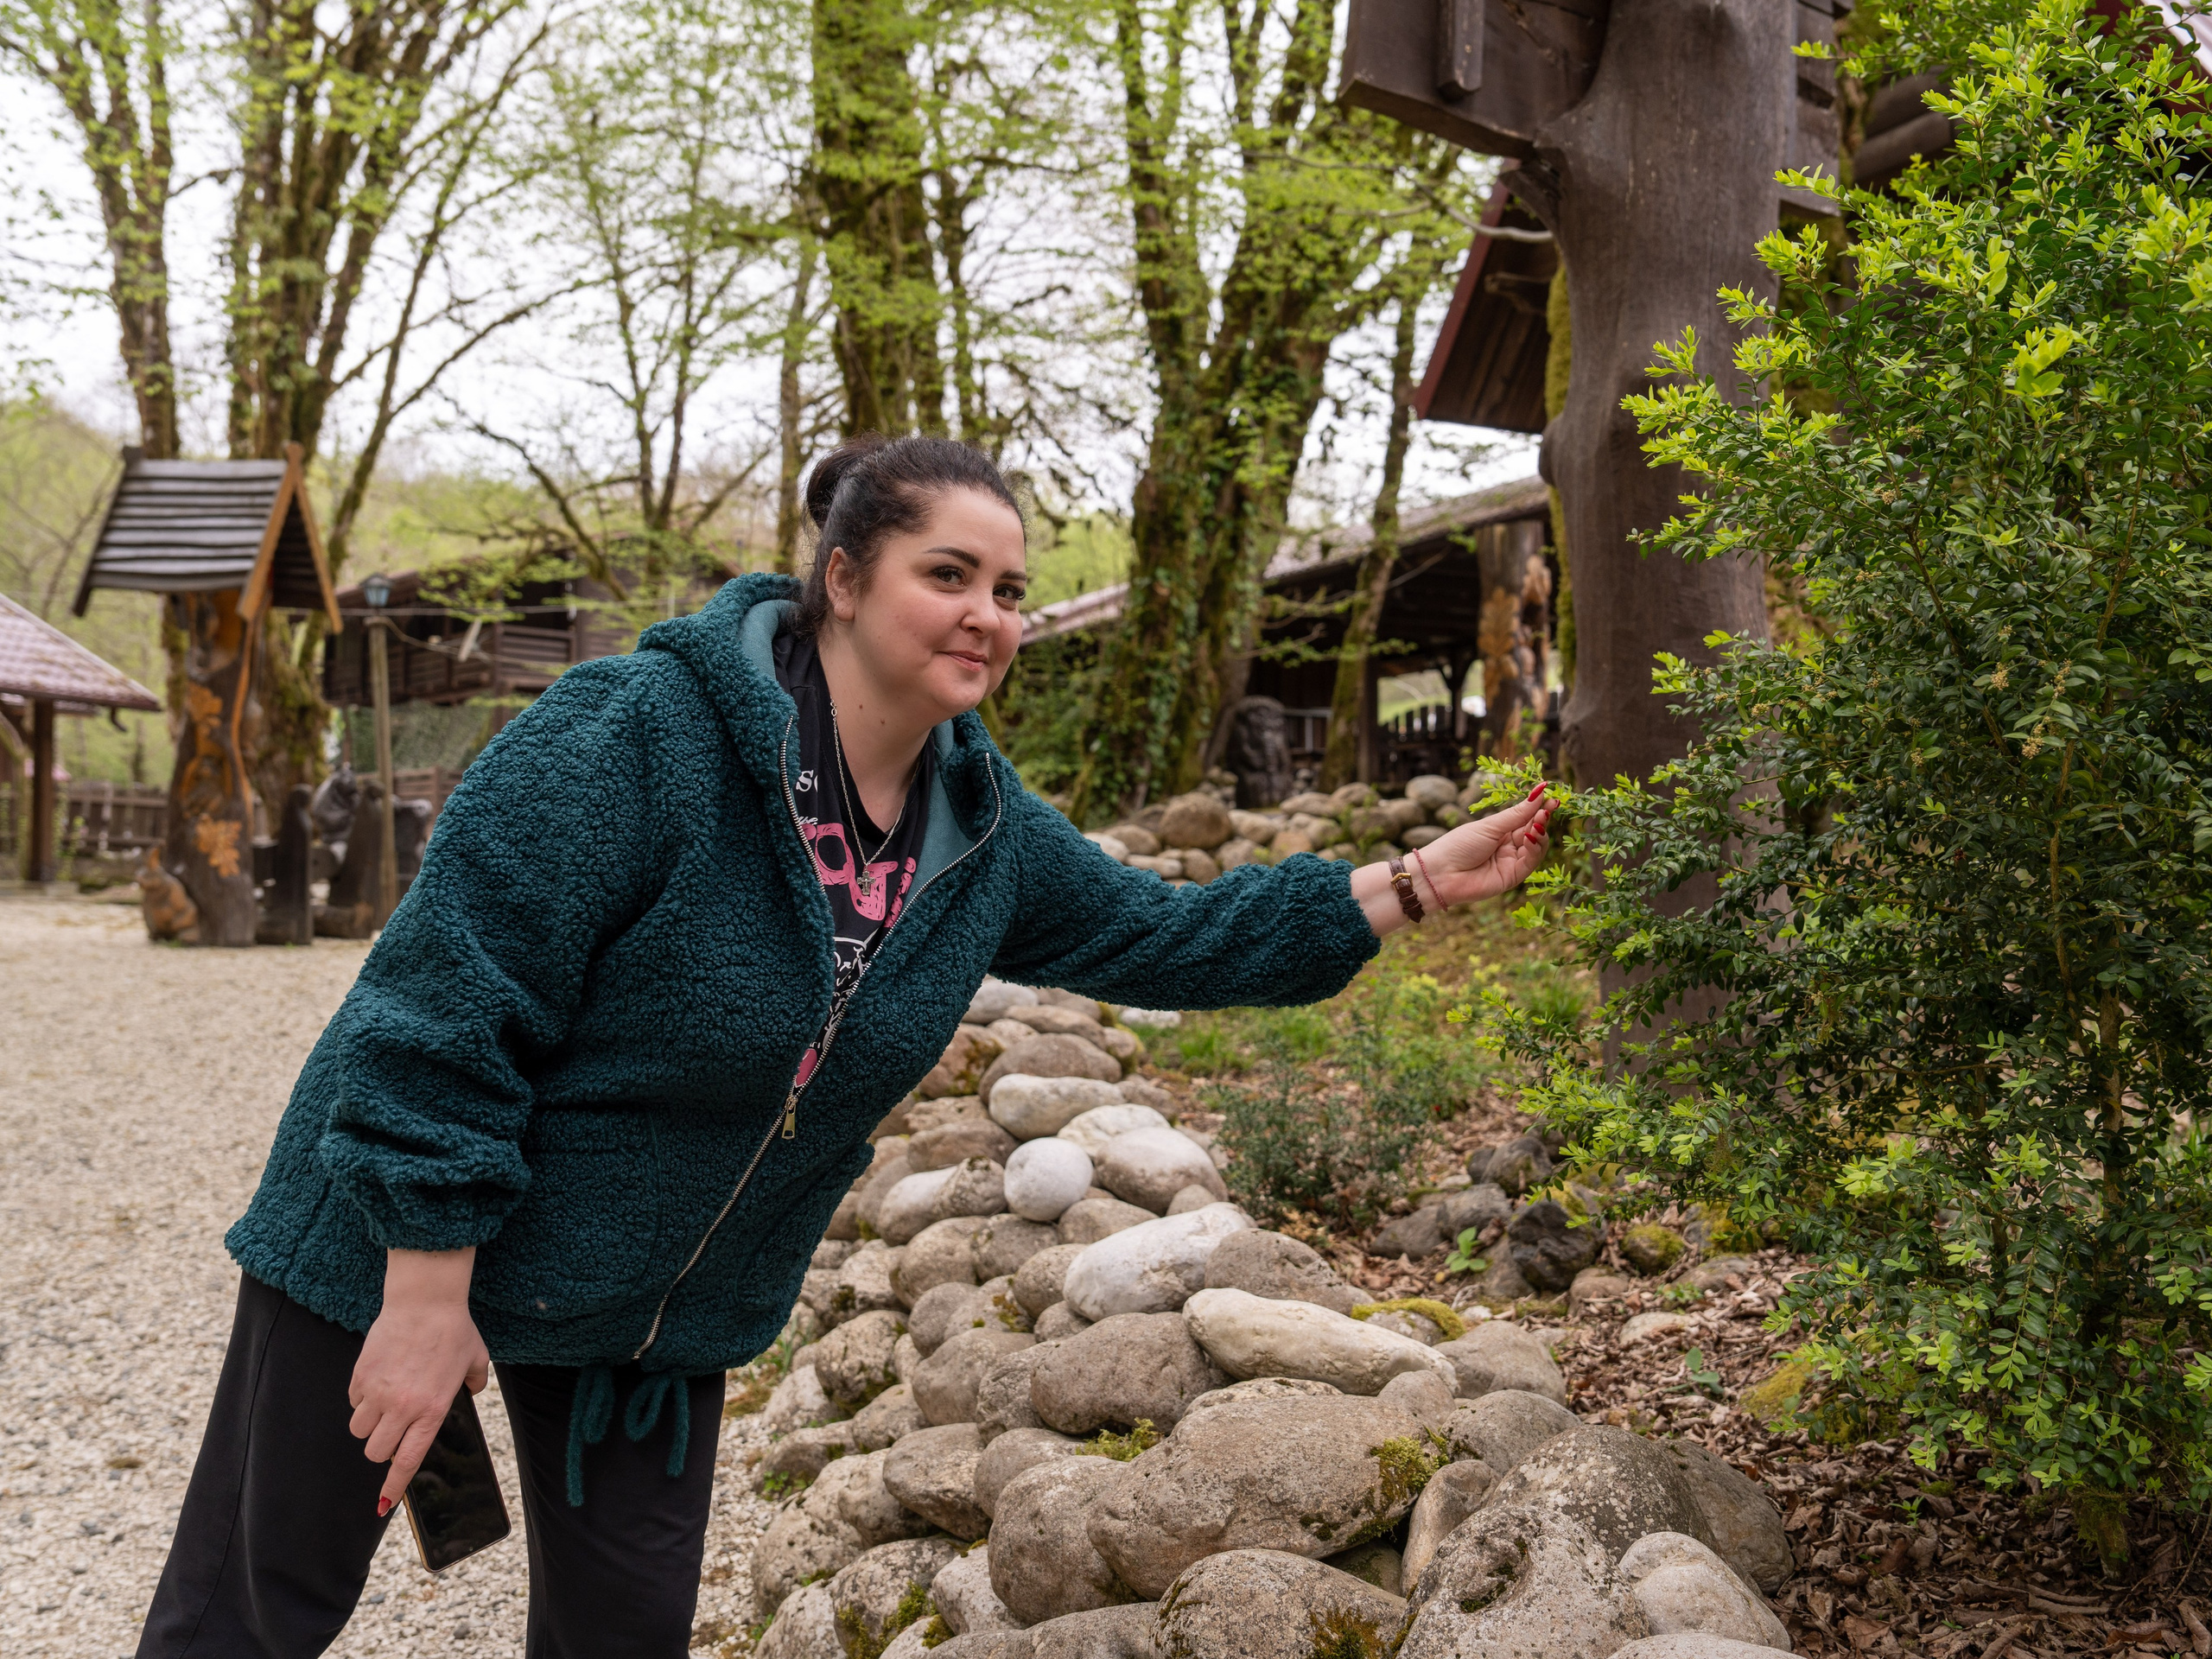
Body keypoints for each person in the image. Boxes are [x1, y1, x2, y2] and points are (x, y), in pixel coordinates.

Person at [136, 434, 1554, 1658]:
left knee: (623, 1640)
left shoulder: (979, 832)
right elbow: (444, 1003)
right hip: (397, 1245)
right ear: (844, 579)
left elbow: (1167, 936)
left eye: (1009, 590)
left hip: (648, 1317)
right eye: (949, 574)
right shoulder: (634, 737)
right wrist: (427, 1290)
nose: (987, 614)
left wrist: (1415, 881)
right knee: (255, 1612)